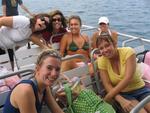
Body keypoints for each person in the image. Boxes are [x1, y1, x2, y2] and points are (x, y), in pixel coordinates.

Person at [96, 34, 150, 113]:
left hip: (141, 89)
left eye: (107, 45)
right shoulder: (101, 61)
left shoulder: (128, 52)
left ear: (114, 44)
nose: (105, 50)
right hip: (123, 94)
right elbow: (107, 84)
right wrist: (121, 100)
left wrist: (108, 97)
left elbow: (128, 78)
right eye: (101, 48)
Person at [1, 0, 34, 70]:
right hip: (8, 21)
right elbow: (4, 8)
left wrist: (30, 14)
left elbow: (22, 6)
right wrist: (4, 18)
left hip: (16, 20)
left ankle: (12, 65)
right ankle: (11, 67)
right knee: (9, 44)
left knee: (14, 43)